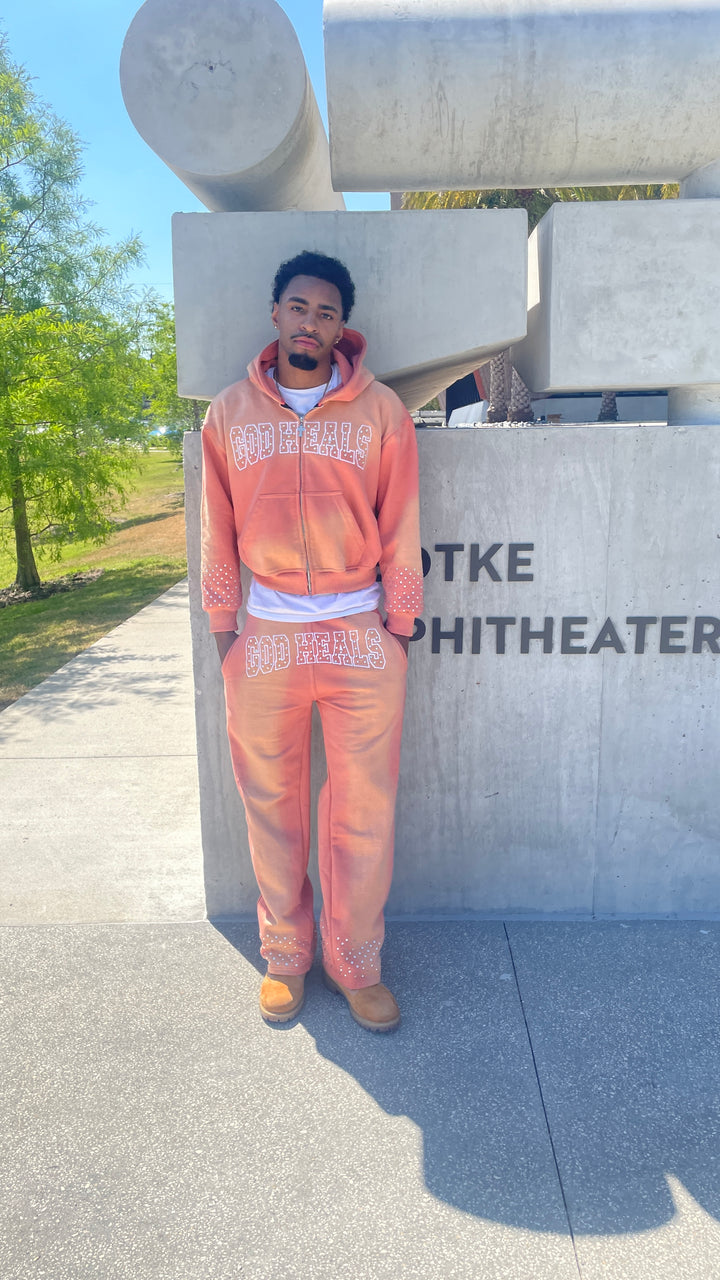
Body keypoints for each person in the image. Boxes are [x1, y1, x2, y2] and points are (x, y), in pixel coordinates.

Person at [200, 250, 423, 1031]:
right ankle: (285, 956)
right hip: (267, 637)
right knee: (271, 805)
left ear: (340, 327)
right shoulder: (228, 414)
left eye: (326, 313)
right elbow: (215, 527)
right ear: (276, 314)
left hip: (360, 635)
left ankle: (356, 963)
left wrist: (399, 628)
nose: (311, 322)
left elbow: (401, 522)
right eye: (299, 307)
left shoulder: (381, 413)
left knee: (364, 809)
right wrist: (224, 630)